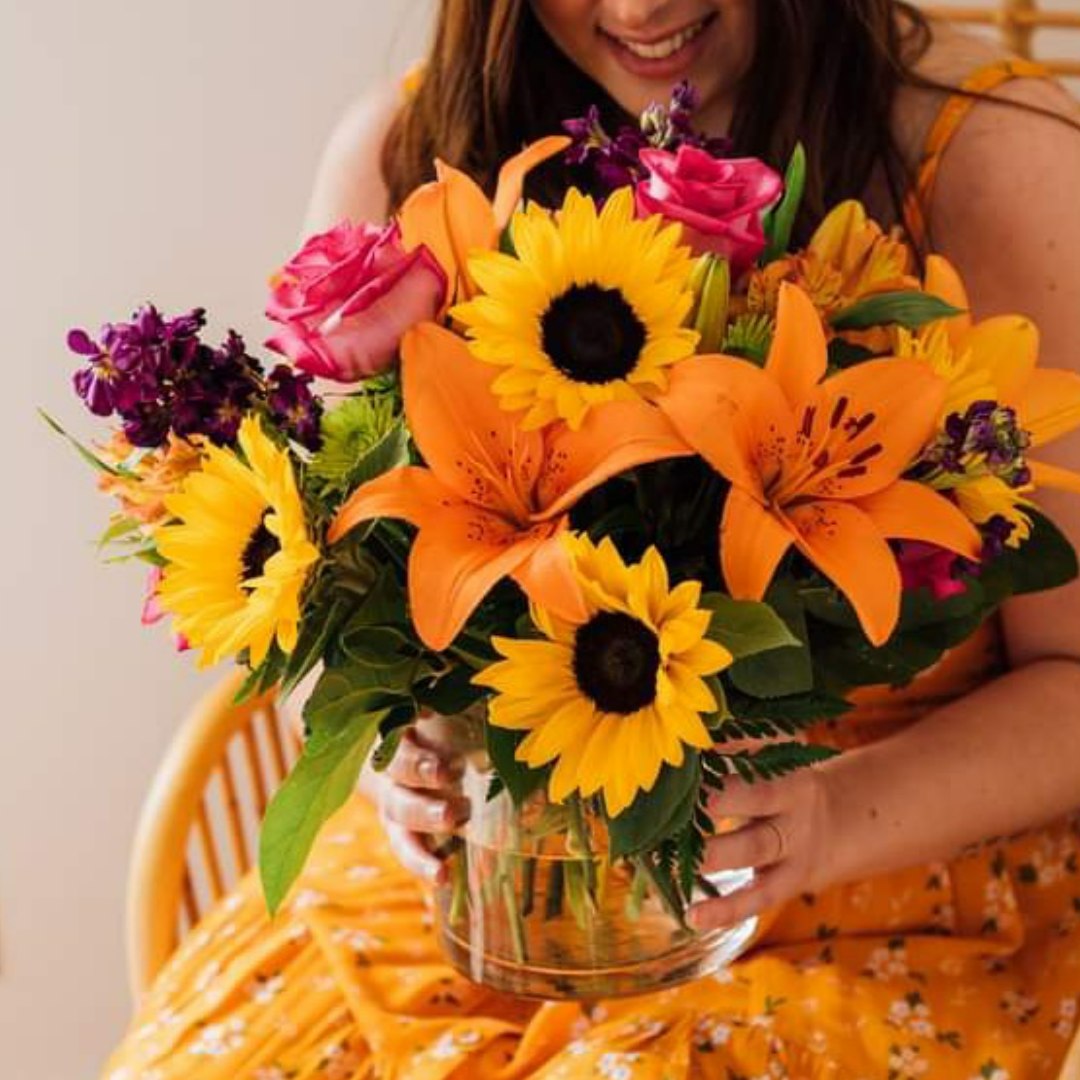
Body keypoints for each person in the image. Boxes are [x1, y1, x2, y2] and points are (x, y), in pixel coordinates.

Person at [103, 2, 1080, 1077]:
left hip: (879, 874)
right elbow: (306, 572)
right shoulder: (400, 151)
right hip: (480, 877)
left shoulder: (997, 162)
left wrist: (827, 819)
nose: (638, 8)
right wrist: (388, 762)